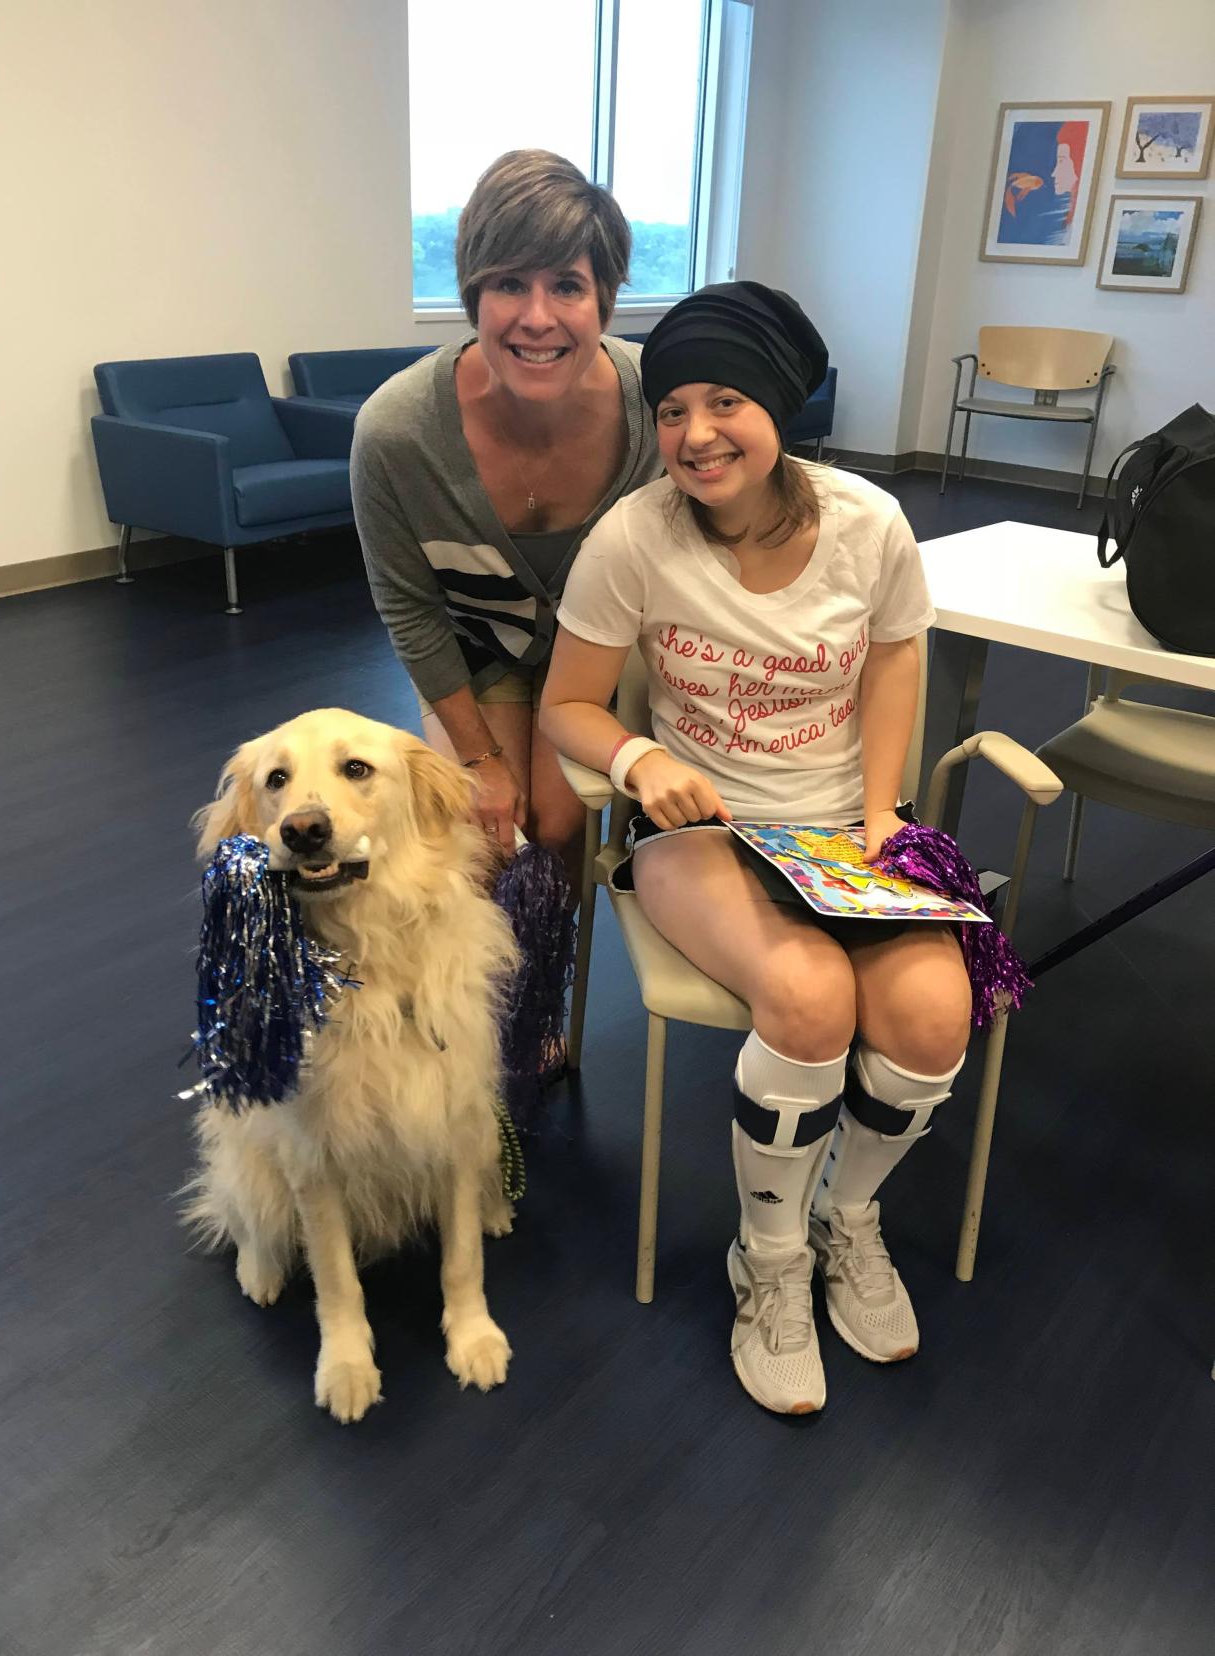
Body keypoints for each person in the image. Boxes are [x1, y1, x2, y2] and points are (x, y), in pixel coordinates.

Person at [538, 282, 972, 1416]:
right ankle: (769, 1261)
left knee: (934, 1016)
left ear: (781, 409)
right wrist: (638, 762)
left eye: (725, 401)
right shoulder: (634, 536)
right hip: (703, 836)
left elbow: (892, 660)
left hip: (839, 833)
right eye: (671, 409)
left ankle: (850, 1219)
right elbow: (568, 704)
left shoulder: (871, 524)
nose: (695, 435)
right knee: (809, 993)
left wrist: (883, 812)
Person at [352, 150, 660, 889]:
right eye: (509, 284)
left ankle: (543, 994)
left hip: (597, 651)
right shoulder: (398, 433)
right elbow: (410, 608)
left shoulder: (657, 404)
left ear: (607, 300)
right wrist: (483, 762)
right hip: (475, 645)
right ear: (472, 293)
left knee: (557, 831)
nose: (537, 317)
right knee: (489, 833)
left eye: (567, 286)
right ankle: (484, 998)